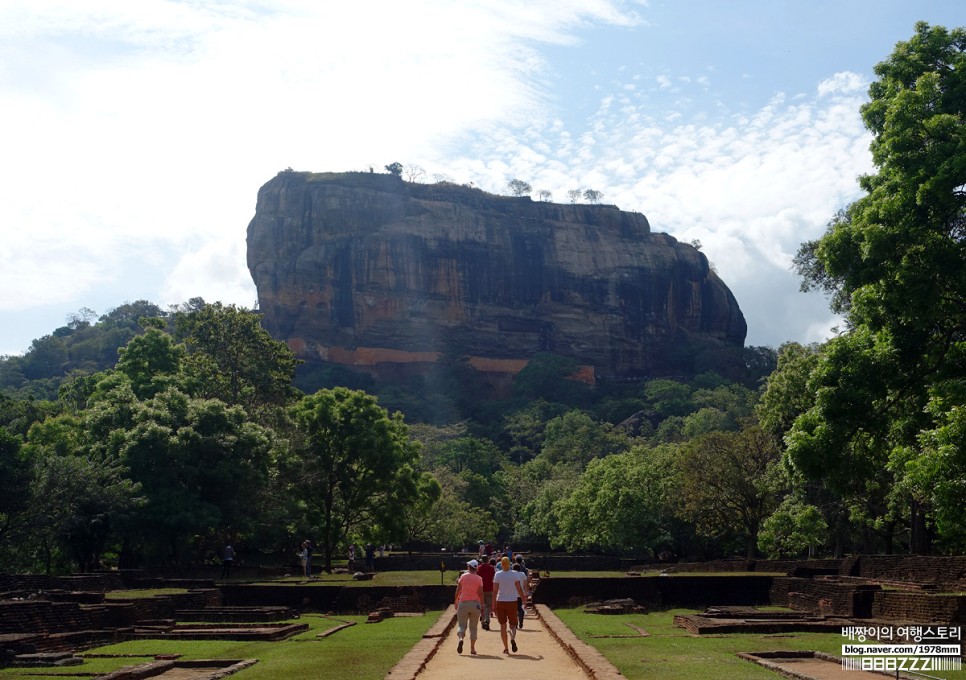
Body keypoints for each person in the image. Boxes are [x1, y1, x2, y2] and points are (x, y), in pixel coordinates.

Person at [492, 555, 525, 654]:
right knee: (513, 624)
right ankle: (512, 636)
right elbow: (519, 588)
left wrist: (493, 604)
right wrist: (523, 598)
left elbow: (495, 590)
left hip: (500, 601)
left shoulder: (498, 574)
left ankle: (506, 648)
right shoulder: (514, 574)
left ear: (501, 565)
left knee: (502, 625)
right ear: (509, 564)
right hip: (512, 601)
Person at [453, 559, 484, 655]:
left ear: (469, 567)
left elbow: (458, 590)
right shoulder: (479, 579)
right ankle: (472, 648)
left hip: (463, 602)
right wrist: (482, 604)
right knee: (473, 627)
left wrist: (456, 601)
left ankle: (461, 638)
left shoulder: (463, 576)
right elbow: (481, 593)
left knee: (462, 625)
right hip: (475, 604)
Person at [477, 556, 496, 630]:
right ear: (487, 560)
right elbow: (492, 577)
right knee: (488, 606)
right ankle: (487, 620)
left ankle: (482, 622)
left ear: (482, 560)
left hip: (481, 589)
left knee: (482, 605)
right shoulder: (491, 568)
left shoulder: (479, 568)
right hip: (489, 588)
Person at [512, 562, 529, 628]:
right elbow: (525, 584)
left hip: (512, 595)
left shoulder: (512, 574)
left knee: (513, 609)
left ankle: (515, 622)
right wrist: (525, 593)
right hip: (520, 594)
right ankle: (521, 621)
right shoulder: (522, 574)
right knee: (519, 608)